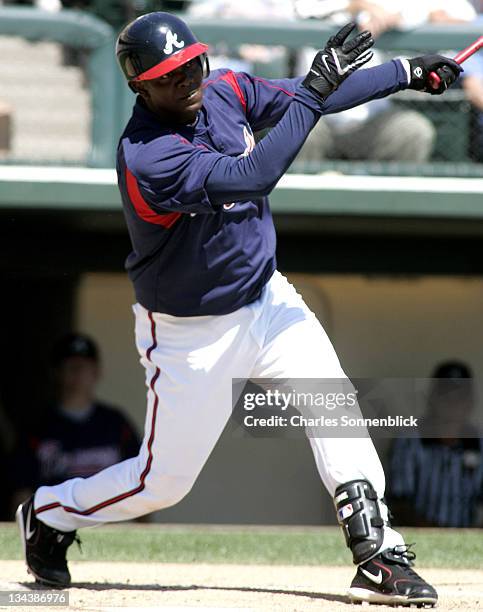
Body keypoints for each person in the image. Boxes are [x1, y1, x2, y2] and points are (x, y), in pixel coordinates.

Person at [16, 11, 462, 606]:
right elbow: (255, 175)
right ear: (140, 88)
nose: (188, 79)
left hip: (267, 296)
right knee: (162, 483)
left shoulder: (223, 87)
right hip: (190, 332)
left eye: (192, 63)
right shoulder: (147, 154)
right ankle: (50, 512)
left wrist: (405, 72)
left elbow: (313, 102)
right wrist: (316, 87)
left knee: (332, 402)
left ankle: (377, 552)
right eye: (170, 75)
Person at [11, 333, 140, 513]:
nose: (78, 373)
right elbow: (22, 491)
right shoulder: (37, 427)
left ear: (96, 371)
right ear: (56, 372)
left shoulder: (116, 423)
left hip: (109, 523)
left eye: (84, 366)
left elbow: (140, 482)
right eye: (70, 366)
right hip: (55, 526)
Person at [389, 361, 483, 528]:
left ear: (471, 401)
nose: (453, 402)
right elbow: (398, 503)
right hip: (417, 540)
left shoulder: (478, 443)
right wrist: (434, 532)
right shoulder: (410, 440)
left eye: (460, 396)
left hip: (467, 541)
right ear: (432, 397)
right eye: (446, 394)